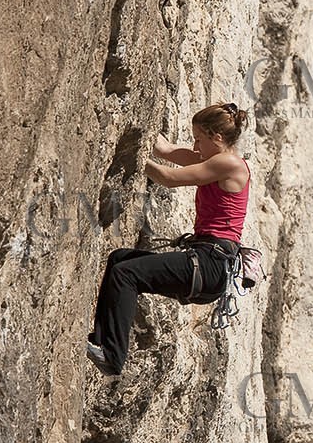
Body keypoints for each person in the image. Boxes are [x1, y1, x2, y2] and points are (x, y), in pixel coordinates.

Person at [86, 103, 251, 375]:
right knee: (120, 260)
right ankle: (101, 342)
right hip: (208, 262)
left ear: (217, 138)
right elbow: (168, 151)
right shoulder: (216, 160)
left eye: (199, 139)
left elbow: (169, 178)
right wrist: (144, 135)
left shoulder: (229, 163)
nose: (195, 146)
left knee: (126, 274)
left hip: (210, 263)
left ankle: (112, 356)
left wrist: (129, 151)